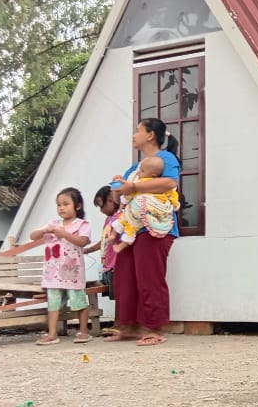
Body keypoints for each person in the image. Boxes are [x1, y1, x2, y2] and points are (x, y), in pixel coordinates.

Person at [108, 118, 180, 346]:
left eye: (138, 130)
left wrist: (133, 186)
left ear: (150, 135)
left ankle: (153, 328)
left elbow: (169, 183)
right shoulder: (134, 168)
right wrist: (117, 190)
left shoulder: (166, 158)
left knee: (150, 278)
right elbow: (119, 196)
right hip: (132, 228)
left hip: (155, 227)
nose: (134, 134)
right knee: (125, 279)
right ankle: (129, 327)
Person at [30, 187, 93, 345]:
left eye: (66, 204)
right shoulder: (53, 224)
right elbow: (33, 236)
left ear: (78, 206)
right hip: (53, 273)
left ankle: (83, 332)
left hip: (72, 272)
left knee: (78, 301)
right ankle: (52, 334)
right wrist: (45, 230)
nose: (61, 208)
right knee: (53, 304)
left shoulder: (82, 224)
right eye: (59, 205)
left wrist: (65, 234)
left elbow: (83, 242)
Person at [111, 155, 180, 246]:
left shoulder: (139, 182)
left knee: (126, 222)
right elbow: (173, 196)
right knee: (129, 225)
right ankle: (118, 242)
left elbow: (128, 195)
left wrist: (125, 200)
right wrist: (176, 205)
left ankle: (115, 237)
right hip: (143, 219)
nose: (139, 172)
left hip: (147, 223)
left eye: (142, 171)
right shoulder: (136, 170)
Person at [85, 186, 121, 336]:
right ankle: (118, 323)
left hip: (119, 262)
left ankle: (120, 324)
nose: (101, 210)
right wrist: (87, 250)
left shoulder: (121, 217)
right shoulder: (108, 220)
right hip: (109, 263)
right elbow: (103, 242)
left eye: (102, 206)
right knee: (116, 295)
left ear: (111, 200)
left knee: (120, 295)